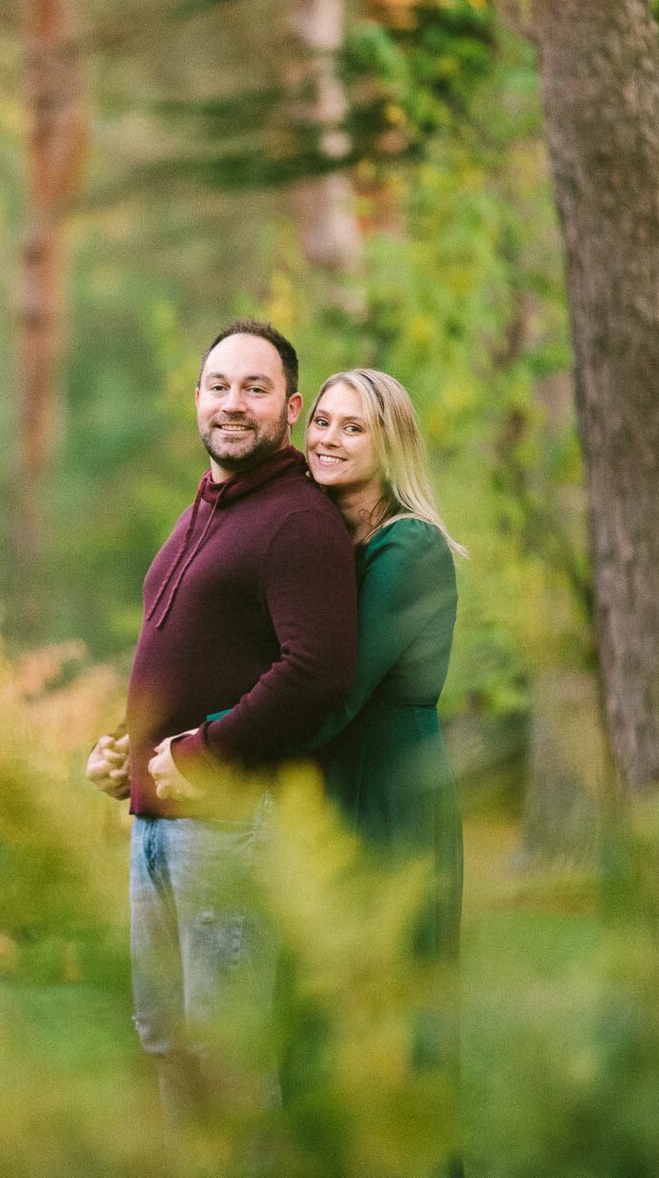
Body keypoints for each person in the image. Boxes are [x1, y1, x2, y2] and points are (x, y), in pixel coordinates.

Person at [85, 320, 358, 1128]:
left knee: (229, 1056)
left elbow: (316, 671)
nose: (232, 402)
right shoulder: (207, 504)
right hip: (160, 824)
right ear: (196, 398)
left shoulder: (297, 519)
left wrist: (203, 752)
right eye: (218, 385)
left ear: (290, 405)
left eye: (255, 387)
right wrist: (123, 751)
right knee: (169, 1042)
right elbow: (200, 654)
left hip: (234, 825)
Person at [300, 368, 465, 955]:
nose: (327, 439)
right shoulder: (327, 542)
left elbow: (338, 688)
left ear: (390, 446)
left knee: (385, 982)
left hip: (389, 789)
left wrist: (220, 746)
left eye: (353, 428)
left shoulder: (410, 546)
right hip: (334, 780)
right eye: (321, 422)